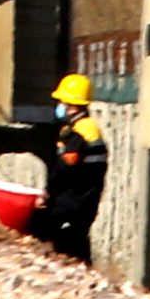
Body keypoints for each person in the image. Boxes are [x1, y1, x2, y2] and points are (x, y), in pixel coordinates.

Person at [35, 70, 110, 262]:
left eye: (62, 102)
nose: (59, 106)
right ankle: (81, 268)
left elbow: (65, 167)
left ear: (72, 106)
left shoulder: (79, 133)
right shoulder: (87, 128)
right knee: (77, 237)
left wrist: (48, 192)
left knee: (44, 224)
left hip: (75, 194)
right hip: (87, 194)